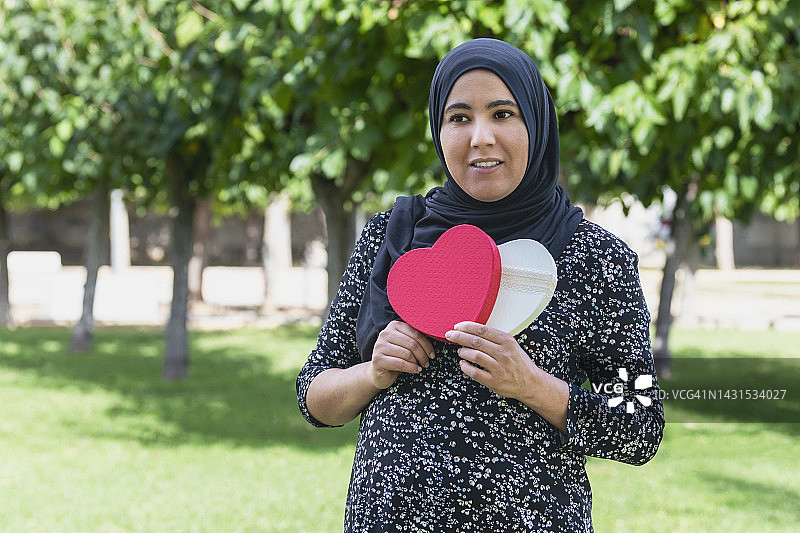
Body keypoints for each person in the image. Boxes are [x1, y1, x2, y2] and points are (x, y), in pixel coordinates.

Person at [296, 38, 664, 532]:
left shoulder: (595, 257)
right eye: (460, 117)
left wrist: (531, 384)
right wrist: (373, 373)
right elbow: (314, 396)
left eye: (503, 113)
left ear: (535, 122)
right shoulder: (394, 235)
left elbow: (640, 427)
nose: (481, 137)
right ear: (438, 129)